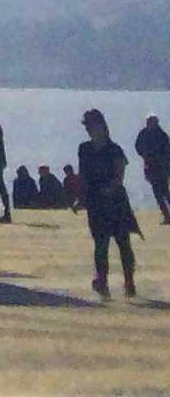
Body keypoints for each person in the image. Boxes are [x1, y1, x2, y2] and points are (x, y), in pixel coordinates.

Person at [76, 110, 138, 299]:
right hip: (95, 201)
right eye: (86, 125)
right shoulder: (84, 148)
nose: (88, 129)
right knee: (100, 243)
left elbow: (119, 175)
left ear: (101, 125)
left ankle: (129, 282)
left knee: (123, 243)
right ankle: (102, 281)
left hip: (116, 201)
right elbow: (83, 176)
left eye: (90, 125)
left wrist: (110, 189)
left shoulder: (114, 149)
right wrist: (81, 198)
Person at [135, 114, 170, 222]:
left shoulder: (162, 135)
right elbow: (138, 146)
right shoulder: (144, 134)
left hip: (162, 167)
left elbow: (168, 152)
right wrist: (144, 155)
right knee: (158, 193)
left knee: (164, 191)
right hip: (151, 167)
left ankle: (167, 216)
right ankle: (166, 215)